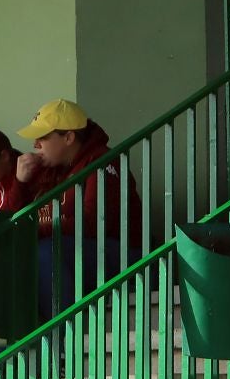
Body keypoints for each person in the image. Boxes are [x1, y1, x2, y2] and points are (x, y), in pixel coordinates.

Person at [15, 98, 140, 313]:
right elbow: (19, 219)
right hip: (73, 253)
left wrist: (35, 232)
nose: (36, 145)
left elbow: (93, 223)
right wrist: (20, 184)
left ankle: (63, 335)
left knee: (47, 250)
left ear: (69, 137)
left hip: (122, 255)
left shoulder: (104, 161)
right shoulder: (47, 170)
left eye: (43, 137)